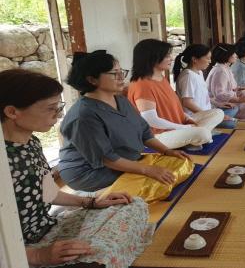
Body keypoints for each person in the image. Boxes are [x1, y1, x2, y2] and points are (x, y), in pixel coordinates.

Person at [0, 69, 153, 268]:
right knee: (96, 256)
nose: (59, 114)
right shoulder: (5, 158)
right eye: (50, 108)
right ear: (12, 112)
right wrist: (37, 256)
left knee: (132, 205)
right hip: (16, 251)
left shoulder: (31, 142)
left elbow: (48, 192)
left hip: (47, 229)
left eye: (59, 106)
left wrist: (90, 202)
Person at [58, 51, 191, 192]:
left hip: (124, 160)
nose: (121, 77)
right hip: (91, 172)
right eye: (114, 73)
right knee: (158, 183)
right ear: (92, 80)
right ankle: (90, 196)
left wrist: (167, 151)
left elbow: (144, 132)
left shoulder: (120, 100)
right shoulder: (83, 115)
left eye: (121, 71)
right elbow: (106, 158)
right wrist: (147, 170)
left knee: (179, 164)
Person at [128, 39, 224, 150]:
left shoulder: (161, 78)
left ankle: (190, 139)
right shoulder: (142, 84)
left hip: (176, 125)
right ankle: (193, 137)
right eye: (167, 56)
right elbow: (151, 120)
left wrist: (187, 120)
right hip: (156, 136)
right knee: (203, 134)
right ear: (152, 58)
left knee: (217, 113)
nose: (171, 58)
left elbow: (175, 108)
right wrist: (184, 127)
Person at [173, 44, 239, 129]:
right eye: (207, 58)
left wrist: (219, 104)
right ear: (194, 59)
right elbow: (187, 103)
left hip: (207, 112)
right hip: (196, 117)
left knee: (233, 108)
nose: (210, 61)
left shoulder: (199, 72)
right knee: (230, 124)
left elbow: (204, 96)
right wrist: (210, 116)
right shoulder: (188, 76)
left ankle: (218, 120)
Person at [206, 43, 245, 120]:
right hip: (219, 103)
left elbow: (231, 87)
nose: (236, 55)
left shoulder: (225, 67)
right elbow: (220, 95)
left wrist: (242, 88)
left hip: (228, 97)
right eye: (234, 53)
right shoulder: (220, 71)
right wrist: (239, 100)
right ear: (227, 55)